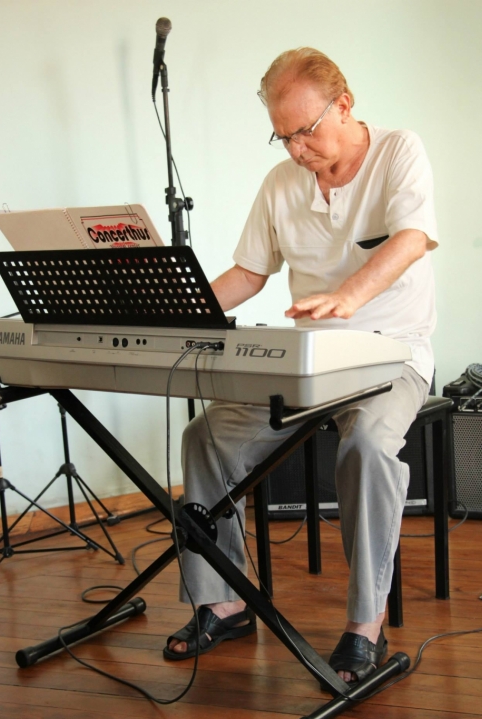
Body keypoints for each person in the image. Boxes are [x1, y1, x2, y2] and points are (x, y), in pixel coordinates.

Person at [163, 47, 437, 683]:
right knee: (205, 437)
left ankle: (365, 627)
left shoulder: (399, 151)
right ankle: (223, 602)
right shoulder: (281, 183)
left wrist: (349, 296)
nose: (294, 149)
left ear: (344, 105)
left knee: (367, 447)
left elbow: (411, 239)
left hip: (392, 352)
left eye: (306, 131)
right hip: (310, 361)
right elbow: (249, 273)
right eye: (282, 135)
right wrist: (180, 310)